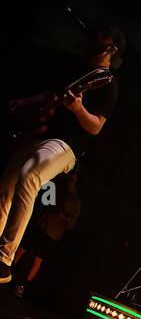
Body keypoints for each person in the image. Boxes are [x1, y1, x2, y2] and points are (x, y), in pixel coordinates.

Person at [0, 26, 121, 284]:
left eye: (105, 34)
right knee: (6, 185)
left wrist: (78, 109)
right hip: (43, 137)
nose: (96, 33)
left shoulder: (108, 84)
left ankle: (4, 260)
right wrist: (25, 102)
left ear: (112, 48)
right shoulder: (79, 72)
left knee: (29, 175)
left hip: (67, 146)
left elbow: (96, 126)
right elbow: (51, 95)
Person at [9, 171, 81, 297]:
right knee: (21, 250)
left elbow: (72, 222)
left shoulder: (75, 201)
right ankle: (7, 274)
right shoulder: (60, 191)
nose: (70, 182)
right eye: (70, 179)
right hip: (42, 226)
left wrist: (62, 217)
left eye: (73, 180)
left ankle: (22, 286)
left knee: (37, 260)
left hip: (52, 233)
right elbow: (47, 202)